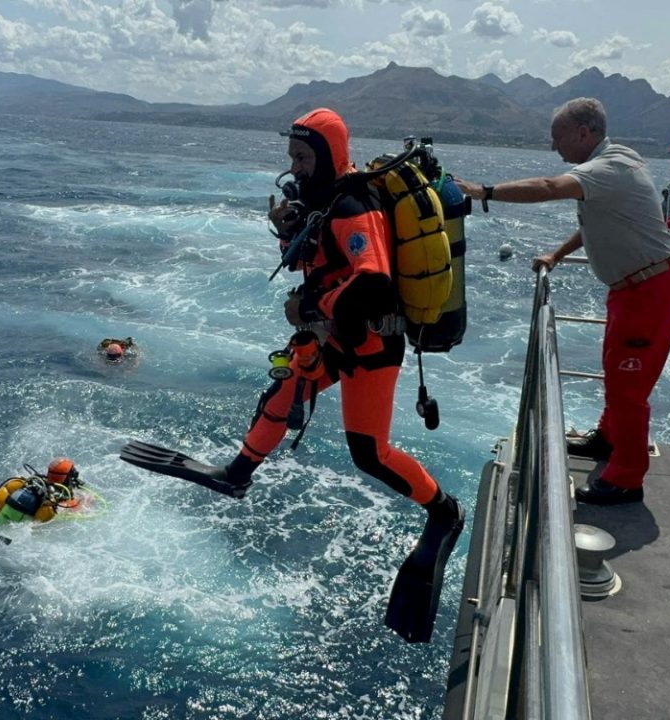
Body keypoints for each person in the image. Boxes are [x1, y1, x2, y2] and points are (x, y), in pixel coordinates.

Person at [120, 108, 465, 643]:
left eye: (304, 158)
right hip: (331, 337)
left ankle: (444, 512)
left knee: (369, 453)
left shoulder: (351, 203)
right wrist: (288, 233)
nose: (296, 168)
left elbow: (371, 283)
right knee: (285, 388)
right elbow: (319, 259)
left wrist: (310, 303)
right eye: (293, 158)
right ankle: (237, 473)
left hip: (368, 343)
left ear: (328, 155)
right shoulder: (323, 200)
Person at [456, 97, 670, 505]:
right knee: (617, 374)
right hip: (634, 287)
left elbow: (548, 187)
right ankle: (608, 439)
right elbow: (602, 221)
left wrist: (481, 191)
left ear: (583, 133)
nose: (553, 147)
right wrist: (557, 255)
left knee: (628, 386)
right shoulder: (617, 161)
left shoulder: (608, 168)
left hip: (649, 289)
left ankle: (626, 478)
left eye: (557, 137)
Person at [0, 457, 83, 525]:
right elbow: (80, 510)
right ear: (69, 476)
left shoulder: (32, 482)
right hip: (23, 526)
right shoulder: (59, 496)